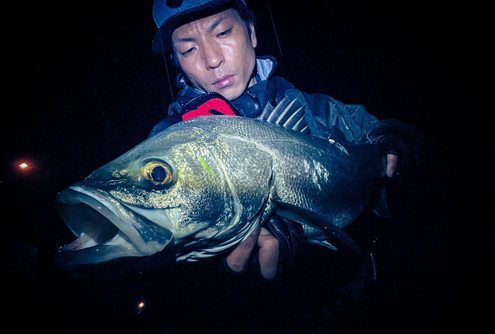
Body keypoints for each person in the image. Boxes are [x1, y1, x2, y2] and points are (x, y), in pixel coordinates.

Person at [149, 0, 415, 281]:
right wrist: (219, 279)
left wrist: (394, 141)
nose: (212, 59)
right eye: (188, 49)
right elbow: (164, 265)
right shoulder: (167, 148)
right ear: (177, 62)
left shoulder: (318, 111)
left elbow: (401, 136)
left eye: (223, 32)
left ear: (251, 33)